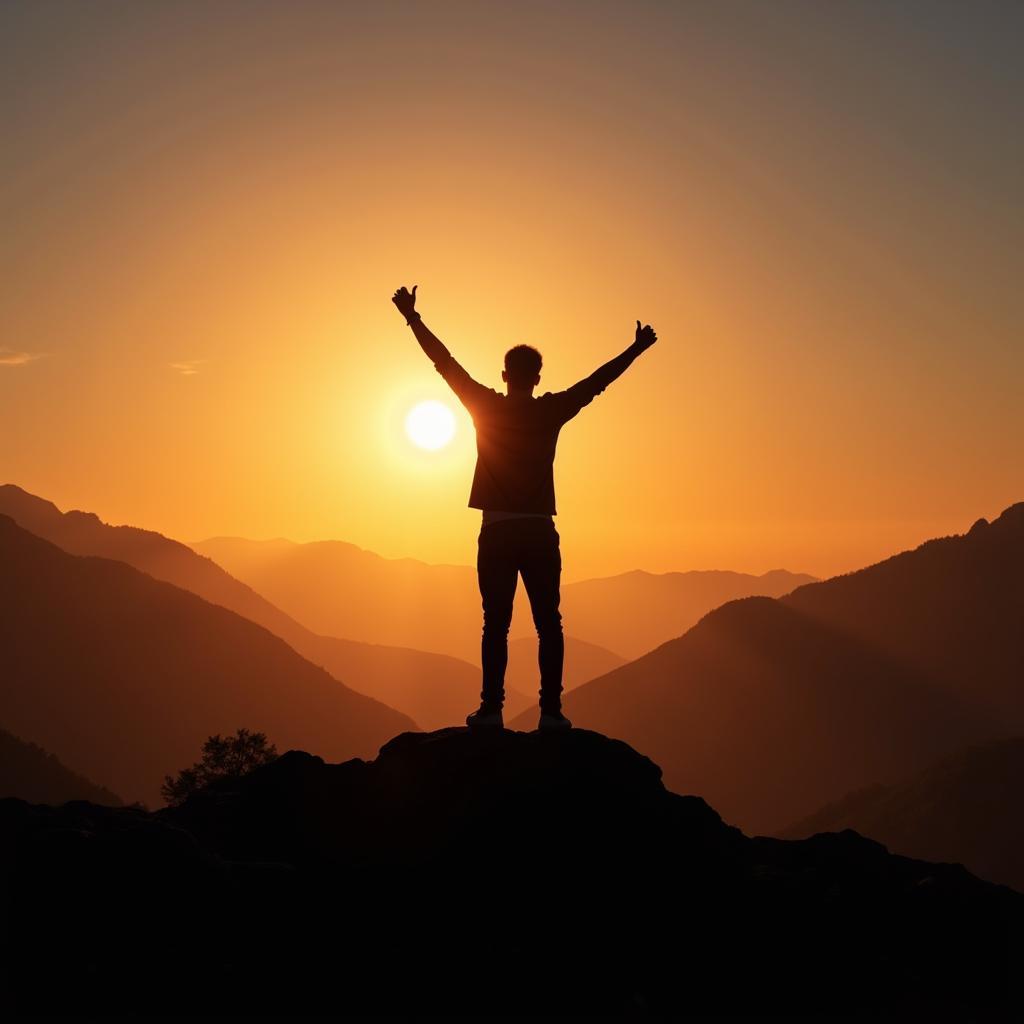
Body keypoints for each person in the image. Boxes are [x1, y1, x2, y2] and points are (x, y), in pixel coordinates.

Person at [392, 284, 657, 731]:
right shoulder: (549, 412)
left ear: (503, 375)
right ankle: (551, 712)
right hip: (538, 531)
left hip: (496, 530)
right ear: (536, 377)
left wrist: (412, 317)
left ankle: (491, 710)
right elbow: (596, 383)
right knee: (548, 622)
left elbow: (444, 363)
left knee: (495, 623)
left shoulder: (483, 406)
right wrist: (635, 349)